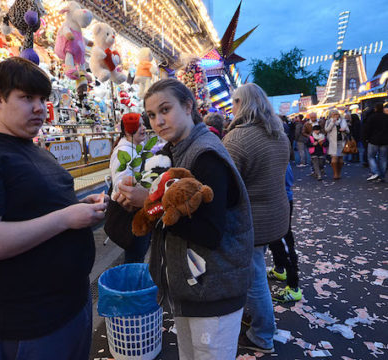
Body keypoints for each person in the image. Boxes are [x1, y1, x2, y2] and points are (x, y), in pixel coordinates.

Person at [0, 58, 107, 360]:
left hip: (72, 305)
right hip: (29, 323)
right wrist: (66, 218)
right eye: (27, 98)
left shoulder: (36, 150)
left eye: (43, 99)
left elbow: (37, 210)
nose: (39, 107)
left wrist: (78, 210)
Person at [119, 78, 254, 360]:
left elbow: (210, 232)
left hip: (213, 290)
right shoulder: (174, 153)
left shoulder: (205, 156)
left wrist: (151, 203)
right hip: (192, 287)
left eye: (165, 110)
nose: (158, 121)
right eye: (152, 115)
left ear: (188, 106)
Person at [223, 83, 290, 354]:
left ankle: (262, 335)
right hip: (275, 214)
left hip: (251, 219)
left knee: (254, 276)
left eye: (233, 103)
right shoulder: (279, 133)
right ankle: (255, 319)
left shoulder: (237, 138)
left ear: (241, 103)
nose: (231, 108)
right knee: (256, 269)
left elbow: (226, 187)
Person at [109, 112, 151, 263]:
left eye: (144, 124)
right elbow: (123, 187)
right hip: (132, 215)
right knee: (135, 256)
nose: (143, 128)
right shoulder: (125, 151)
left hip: (138, 213)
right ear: (127, 130)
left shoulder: (133, 148)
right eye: (138, 125)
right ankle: (133, 285)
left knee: (137, 255)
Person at [268, 163, 302, 303]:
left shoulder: (277, 145)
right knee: (274, 240)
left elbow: (287, 180)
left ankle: (294, 288)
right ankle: (279, 269)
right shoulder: (275, 144)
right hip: (277, 200)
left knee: (283, 240)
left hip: (279, 201)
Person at [363, 102, 388, 182]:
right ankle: (382, 175)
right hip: (385, 140)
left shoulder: (372, 118)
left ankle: (375, 172)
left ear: (375, 108)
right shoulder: (386, 117)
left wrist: (366, 138)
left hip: (373, 140)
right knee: (383, 158)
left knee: (371, 157)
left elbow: (367, 129)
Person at [325, 109, 350, 180]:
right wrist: (332, 123)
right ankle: (335, 173)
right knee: (334, 158)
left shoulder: (343, 121)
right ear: (331, 115)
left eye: (336, 114)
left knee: (340, 159)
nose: (335, 116)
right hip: (333, 142)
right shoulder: (328, 121)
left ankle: (339, 173)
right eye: (333, 115)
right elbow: (326, 130)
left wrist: (344, 129)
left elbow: (348, 131)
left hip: (341, 141)